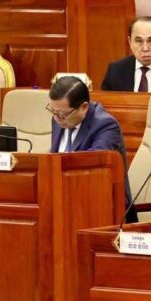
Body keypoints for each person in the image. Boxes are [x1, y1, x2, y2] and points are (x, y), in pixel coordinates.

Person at [48, 75, 134, 218]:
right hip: (65, 202)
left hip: (103, 207)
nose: (56, 118)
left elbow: (93, 169)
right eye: (52, 111)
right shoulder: (59, 119)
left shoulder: (105, 125)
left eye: (62, 114)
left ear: (83, 107)